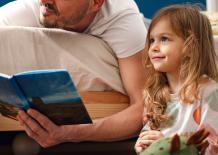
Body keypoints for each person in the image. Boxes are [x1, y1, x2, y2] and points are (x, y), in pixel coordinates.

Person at [0, 0, 147, 147]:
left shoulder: (124, 23)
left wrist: (70, 134)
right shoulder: (30, 8)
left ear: (96, 3)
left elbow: (143, 108)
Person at [134, 5, 218, 155]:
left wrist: (169, 145)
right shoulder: (156, 92)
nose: (154, 48)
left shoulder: (206, 90)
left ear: (190, 47)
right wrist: (142, 146)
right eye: (151, 40)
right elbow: (149, 133)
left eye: (164, 39)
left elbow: (214, 148)